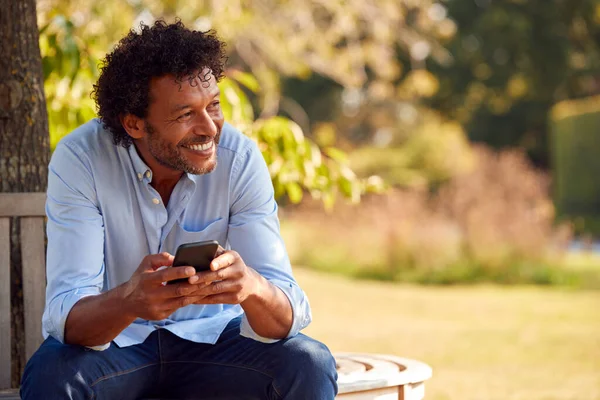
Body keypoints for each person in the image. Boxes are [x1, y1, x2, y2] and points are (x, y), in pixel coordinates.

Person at [20, 20, 338, 400]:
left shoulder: (239, 159)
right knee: (52, 373)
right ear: (134, 123)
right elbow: (67, 318)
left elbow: (287, 315)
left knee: (308, 362)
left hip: (216, 343)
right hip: (116, 347)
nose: (209, 129)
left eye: (214, 106)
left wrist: (251, 287)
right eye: (185, 114)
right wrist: (131, 300)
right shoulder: (81, 158)